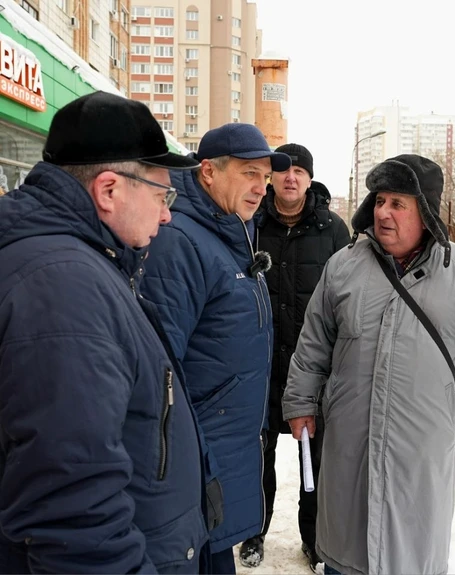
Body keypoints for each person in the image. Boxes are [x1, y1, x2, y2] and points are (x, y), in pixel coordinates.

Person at [282, 154, 455, 575]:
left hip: (420, 449)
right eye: (379, 200)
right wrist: (300, 402)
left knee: (412, 555)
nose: (382, 212)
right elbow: (314, 342)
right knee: (345, 551)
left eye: (397, 204)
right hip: (350, 443)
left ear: (425, 212)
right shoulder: (344, 266)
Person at [0, 91, 209, 573]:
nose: (167, 214)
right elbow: (72, 508)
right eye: (161, 195)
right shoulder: (63, 287)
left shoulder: (82, 261)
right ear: (109, 190)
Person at [139, 123, 292, 574]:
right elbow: (159, 371)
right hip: (192, 469)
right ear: (208, 172)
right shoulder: (181, 242)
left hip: (219, 459)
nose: (261, 188)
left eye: (265, 177)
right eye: (249, 174)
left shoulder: (228, 234)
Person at [238, 144, 350, 570]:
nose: (291, 178)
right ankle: (253, 533)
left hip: (312, 371)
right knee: (257, 459)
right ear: (271, 177)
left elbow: (347, 295)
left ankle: (314, 540)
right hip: (259, 366)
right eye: (283, 170)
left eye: (299, 171)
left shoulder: (332, 229)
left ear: (309, 179)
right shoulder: (250, 223)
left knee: (315, 464)